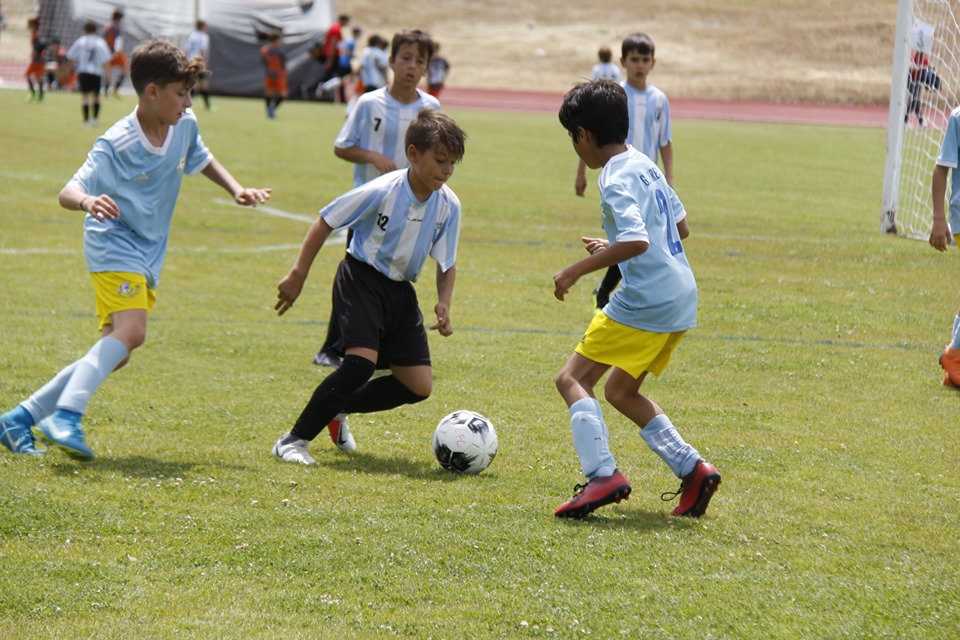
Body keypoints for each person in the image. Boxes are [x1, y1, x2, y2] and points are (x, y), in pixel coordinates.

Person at [0, 38, 271, 460]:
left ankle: (19, 418)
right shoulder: (117, 142)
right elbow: (68, 191)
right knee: (133, 332)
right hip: (113, 241)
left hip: (148, 250)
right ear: (152, 92)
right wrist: (88, 201)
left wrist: (236, 188)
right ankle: (66, 415)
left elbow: (200, 157)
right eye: (181, 93)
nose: (188, 102)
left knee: (116, 350)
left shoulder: (185, 123)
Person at [552, 79, 720, 519]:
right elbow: (680, 228)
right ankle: (694, 469)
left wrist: (576, 269)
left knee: (571, 379)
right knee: (621, 390)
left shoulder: (612, 177)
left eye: (572, 138)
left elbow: (638, 241)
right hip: (680, 295)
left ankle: (602, 475)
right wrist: (613, 246)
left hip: (647, 299)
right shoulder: (644, 162)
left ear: (583, 135)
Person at [271, 108, 466, 464]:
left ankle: (336, 407)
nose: (447, 170)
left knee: (418, 385)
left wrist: (444, 302)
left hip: (401, 292)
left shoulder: (449, 205)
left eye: (452, 163)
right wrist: (298, 274)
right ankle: (292, 441)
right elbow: (326, 220)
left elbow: (446, 262)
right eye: (440, 160)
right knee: (360, 365)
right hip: (361, 278)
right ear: (413, 154)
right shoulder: (383, 189)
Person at [313, 29, 440, 368]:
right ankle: (332, 346)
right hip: (368, 207)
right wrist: (372, 157)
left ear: (426, 68)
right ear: (391, 61)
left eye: (420, 61)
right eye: (406, 58)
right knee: (356, 276)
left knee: (395, 277)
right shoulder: (369, 103)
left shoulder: (431, 107)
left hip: (411, 208)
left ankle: (383, 349)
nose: (412, 67)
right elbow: (342, 146)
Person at [576, 33, 675, 315]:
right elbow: (588, 140)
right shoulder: (614, 96)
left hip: (646, 181)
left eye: (645, 59)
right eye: (634, 59)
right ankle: (607, 293)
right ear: (623, 62)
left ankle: (606, 292)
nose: (640, 65)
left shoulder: (659, 99)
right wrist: (581, 173)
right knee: (629, 238)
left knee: (634, 239)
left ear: (653, 62)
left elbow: (665, 142)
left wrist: (669, 179)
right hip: (619, 179)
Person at [930, 105, 960, 386]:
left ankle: (954, 366)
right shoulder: (958, 118)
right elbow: (941, 170)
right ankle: (953, 355)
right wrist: (939, 219)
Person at [67, 20, 112, 126]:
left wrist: (69, 71)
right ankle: (95, 119)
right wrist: (108, 78)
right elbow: (107, 61)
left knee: (85, 97)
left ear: (85, 29)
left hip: (83, 72)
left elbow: (71, 57)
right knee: (96, 96)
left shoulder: (81, 41)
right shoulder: (100, 42)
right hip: (96, 72)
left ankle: (86, 121)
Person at [185, 20, 213, 110]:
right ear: (203, 27)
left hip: (190, 61)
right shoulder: (204, 36)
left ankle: (188, 103)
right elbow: (203, 50)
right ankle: (207, 105)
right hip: (198, 62)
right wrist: (204, 63)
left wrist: (185, 61)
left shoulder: (192, 35)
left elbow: (187, 49)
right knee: (202, 84)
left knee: (194, 83)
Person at [260, 31, 287, 119]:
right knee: (282, 95)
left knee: (268, 94)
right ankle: (272, 109)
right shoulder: (280, 50)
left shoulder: (264, 50)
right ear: (277, 40)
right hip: (279, 75)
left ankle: (269, 110)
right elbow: (283, 64)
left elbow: (263, 62)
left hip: (269, 74)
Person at [103, 9, 128, 96]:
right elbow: (118, 40)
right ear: (119, 19)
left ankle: (106, 91)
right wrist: (116, 51)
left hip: (107, 51)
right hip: (116, 52)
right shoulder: (118, 28)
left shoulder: (107, 27)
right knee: (125, 69)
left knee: (108, 72)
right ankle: (116, 88)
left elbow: (104, 40)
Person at [906, 49, 930, 127]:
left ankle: (904, 120)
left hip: (918, 82)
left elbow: (930, 66)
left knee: (914, 101)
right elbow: (910, 66)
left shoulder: (925, 59)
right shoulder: (912, 56)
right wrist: (919, 67)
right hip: (910, 81)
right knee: (916, 99)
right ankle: (921, 120)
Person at [24, 17, 46, 102]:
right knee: (34, 77)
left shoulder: (36, 35)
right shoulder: (35, 33)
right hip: (37, 60)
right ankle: (38, 95)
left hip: (38, 61)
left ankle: (36, 95)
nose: (28, 26)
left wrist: (38, 53)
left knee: (31, 76)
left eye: (30, 24)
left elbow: (42, 45)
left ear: (34, 25)